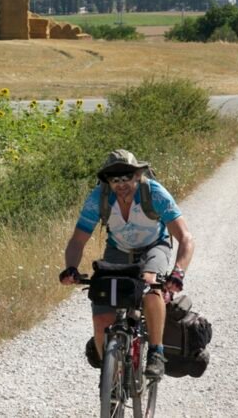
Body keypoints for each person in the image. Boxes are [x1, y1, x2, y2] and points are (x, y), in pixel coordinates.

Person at [59, 149, 195, 380]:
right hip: (118, 250)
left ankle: (156, 352)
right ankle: (110, 377)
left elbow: (185, 238)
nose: (121, 184)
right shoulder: (98, 199)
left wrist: (178, 272)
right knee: (102, 313)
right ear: (107, 181)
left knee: (151, 285)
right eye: (115, 179)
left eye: (127, 177)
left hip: (154, 246)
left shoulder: (154, 194)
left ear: (137, 175)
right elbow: (78, 240)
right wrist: (71, 267)